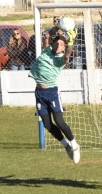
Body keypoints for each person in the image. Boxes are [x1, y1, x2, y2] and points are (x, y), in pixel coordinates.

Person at [28, 29, 81, 164]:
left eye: (61, 45)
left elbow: (67, 56)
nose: (59, 46)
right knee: (46, 124)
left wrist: (70, 43)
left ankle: (74, 144)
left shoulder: (60, 59)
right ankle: (66, 145)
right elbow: (47, 35)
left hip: (52, 92)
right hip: (39, 93)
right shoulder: (46, 51)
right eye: (57, 44)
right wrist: (57, 26)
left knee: (59, 121)